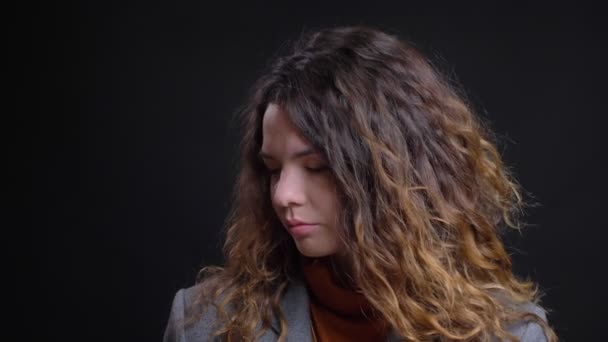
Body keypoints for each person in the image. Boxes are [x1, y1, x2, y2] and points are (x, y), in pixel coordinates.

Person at [163, 26, 557, 342]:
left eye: (316, 166)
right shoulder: (208, 324)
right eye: (273, 169)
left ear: (393, 172)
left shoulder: (507, 335)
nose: (283, 195)